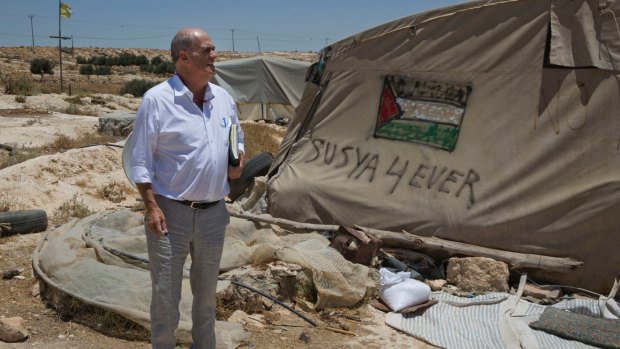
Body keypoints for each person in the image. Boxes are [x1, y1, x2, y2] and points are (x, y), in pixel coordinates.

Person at [129, 27, 244, 349]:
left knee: (207, 296)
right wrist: (151, 207)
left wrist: (239, 159)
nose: (214, 56)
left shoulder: (223, 98)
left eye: (214, 50)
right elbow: (139, 160)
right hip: (170, 214)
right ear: (183, 57)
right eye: (207, 50)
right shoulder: (157, 100)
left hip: (213, 213)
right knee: (166, 296)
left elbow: (236, 139)